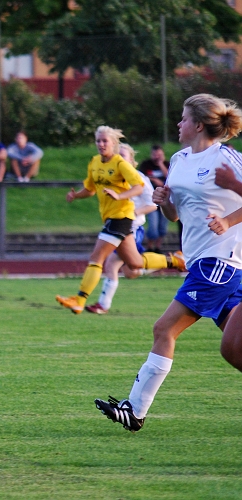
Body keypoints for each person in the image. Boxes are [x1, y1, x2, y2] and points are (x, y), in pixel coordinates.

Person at [95, 93, 242, 432]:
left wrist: (229, 222)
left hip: (219, 262)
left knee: (164, 329)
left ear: (199, 125)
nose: (178, 123)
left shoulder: (226, 159)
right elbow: (176, 215)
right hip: (203, 262)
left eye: (183, 118)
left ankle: (135, 410)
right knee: (235, 347)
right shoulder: (178, 160)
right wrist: (164, 203)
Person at [56, 126, 185, 315]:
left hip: (122, 218)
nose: (100, 144)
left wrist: (119, 196)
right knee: (134, 264)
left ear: (114, 144)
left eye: (105, 141)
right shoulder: (94, 163)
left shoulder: (119, 164)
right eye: (98, 141)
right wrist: (76, 196)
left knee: (97, 258)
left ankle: (79, 299)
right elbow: (91, 189)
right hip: (111, 218)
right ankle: (175, 260)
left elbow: (139, 187)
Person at [85, 144, 161, 314]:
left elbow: (153, 204)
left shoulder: (139, 178)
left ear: (132, 161)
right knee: (130, 272)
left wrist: (135, 212)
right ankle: (163, 262)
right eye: (117, 155)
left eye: (123, 156)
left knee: (111, 263)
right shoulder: (112, 177)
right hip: (116, 226)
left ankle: (102, 305)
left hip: (132, 228)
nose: (119, 159)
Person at [139, 144, 171, 252]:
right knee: (153, 226)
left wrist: (161, 164)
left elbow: (170, 177)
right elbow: (140, 177)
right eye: (155, 154)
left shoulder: (167, 164)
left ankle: (158, 247)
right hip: (151, 200)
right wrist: (153, 180)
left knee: (162, 226)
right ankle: (149, 247)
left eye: (159, 155)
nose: (157, 157)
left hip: (164, 200)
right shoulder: (146, 165)